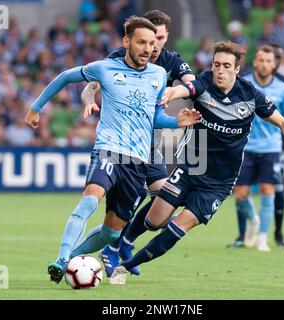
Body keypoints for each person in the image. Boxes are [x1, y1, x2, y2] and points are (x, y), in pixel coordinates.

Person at [108, 41, 284, 285]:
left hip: (218, 183)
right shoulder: (205, 82)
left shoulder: (250, 95)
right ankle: (124, 242)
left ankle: (123, 268)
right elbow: (184, 90)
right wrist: (168, 93)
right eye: (217, 64)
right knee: (154, 221)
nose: (220, 70)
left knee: (176, 229)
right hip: (191, 167)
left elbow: (283, 123)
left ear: (237, 69)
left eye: (226, 66)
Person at [24, 16, 200, 284]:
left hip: (138, 160)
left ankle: (73, 257)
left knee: (110, 234)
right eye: (142, 42)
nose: (148, 49)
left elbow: (154, 119)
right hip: (109, 150)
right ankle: (60, 260)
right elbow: (65, 77)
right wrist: (36, 107)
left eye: (152, 43)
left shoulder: (159, 75)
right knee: (89, 200)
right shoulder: (106, 68)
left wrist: (177, 121)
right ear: (126, 41)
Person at [79, 9, 195, 277]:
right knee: (138, 197)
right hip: (120, 141)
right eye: (150, 38)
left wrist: (182, 92)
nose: (154, 45)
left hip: (148, 144)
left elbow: (193, 84)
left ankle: (123, 241)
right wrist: (88, 102)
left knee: (166, 202)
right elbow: (89, 87)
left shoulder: (171, 61)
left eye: (161, 38)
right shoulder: (120, 57)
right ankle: (115, 245)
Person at [231, 44, 284, 250]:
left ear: (275, 64)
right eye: (260, 60)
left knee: (268, 191)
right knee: (240, 194)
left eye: (268, 61)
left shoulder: (283, 89)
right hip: (245, 148)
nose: (264, 64)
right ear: (254, 62)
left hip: (271, 148)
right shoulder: (243, 84)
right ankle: (255, 220)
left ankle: (262, 238)